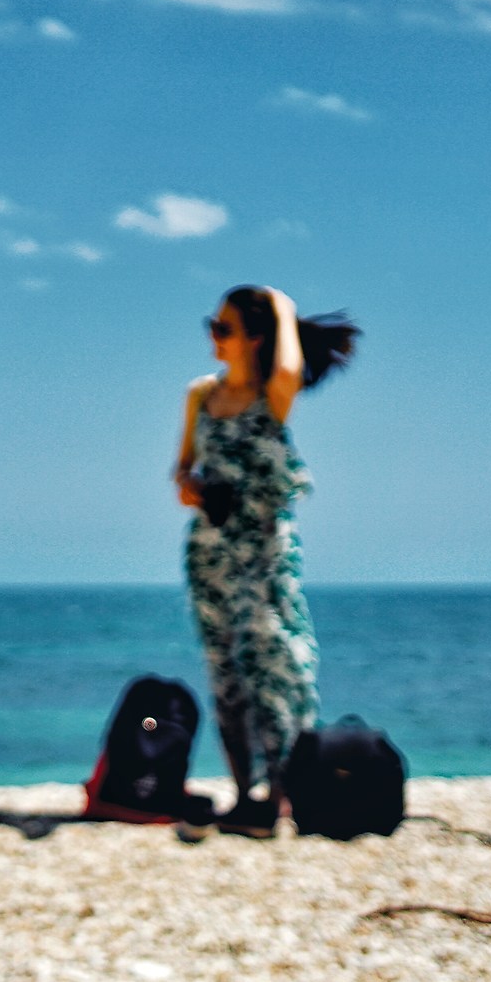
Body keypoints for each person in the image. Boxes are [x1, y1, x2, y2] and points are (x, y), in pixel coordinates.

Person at [173, 286, 360, 836]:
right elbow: (181, 467)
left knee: (275, 663)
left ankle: (282, 793)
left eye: (224, 327)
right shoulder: (200, 395)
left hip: (266, 548)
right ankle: (242, 794)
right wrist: (189, 487)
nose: (213, 336)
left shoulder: (273, 393)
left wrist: (279, 301)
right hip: (211, 547)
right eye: (211, 325)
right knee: (225, 670)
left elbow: (287, 364)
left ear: (255, 338)